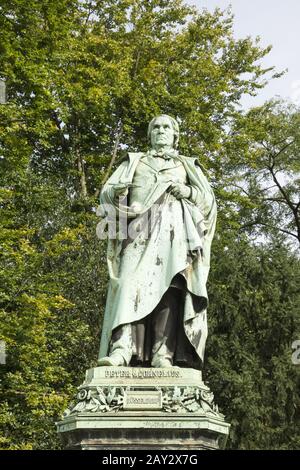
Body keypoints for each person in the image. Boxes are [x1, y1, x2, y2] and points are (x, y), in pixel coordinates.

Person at [97, 114, 217, 369]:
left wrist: (189, 191)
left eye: (166, 127)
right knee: (129, 287)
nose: (161, 131)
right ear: (149, 134)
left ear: (175, 135)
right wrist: (116, 193)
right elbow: (106, 195)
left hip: (174, 238)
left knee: (169, 291)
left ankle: (164, 354)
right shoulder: (133, 162)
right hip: (137, 234)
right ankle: (121, 350)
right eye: (156, 128)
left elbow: (209, 203)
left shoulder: (187, 166)